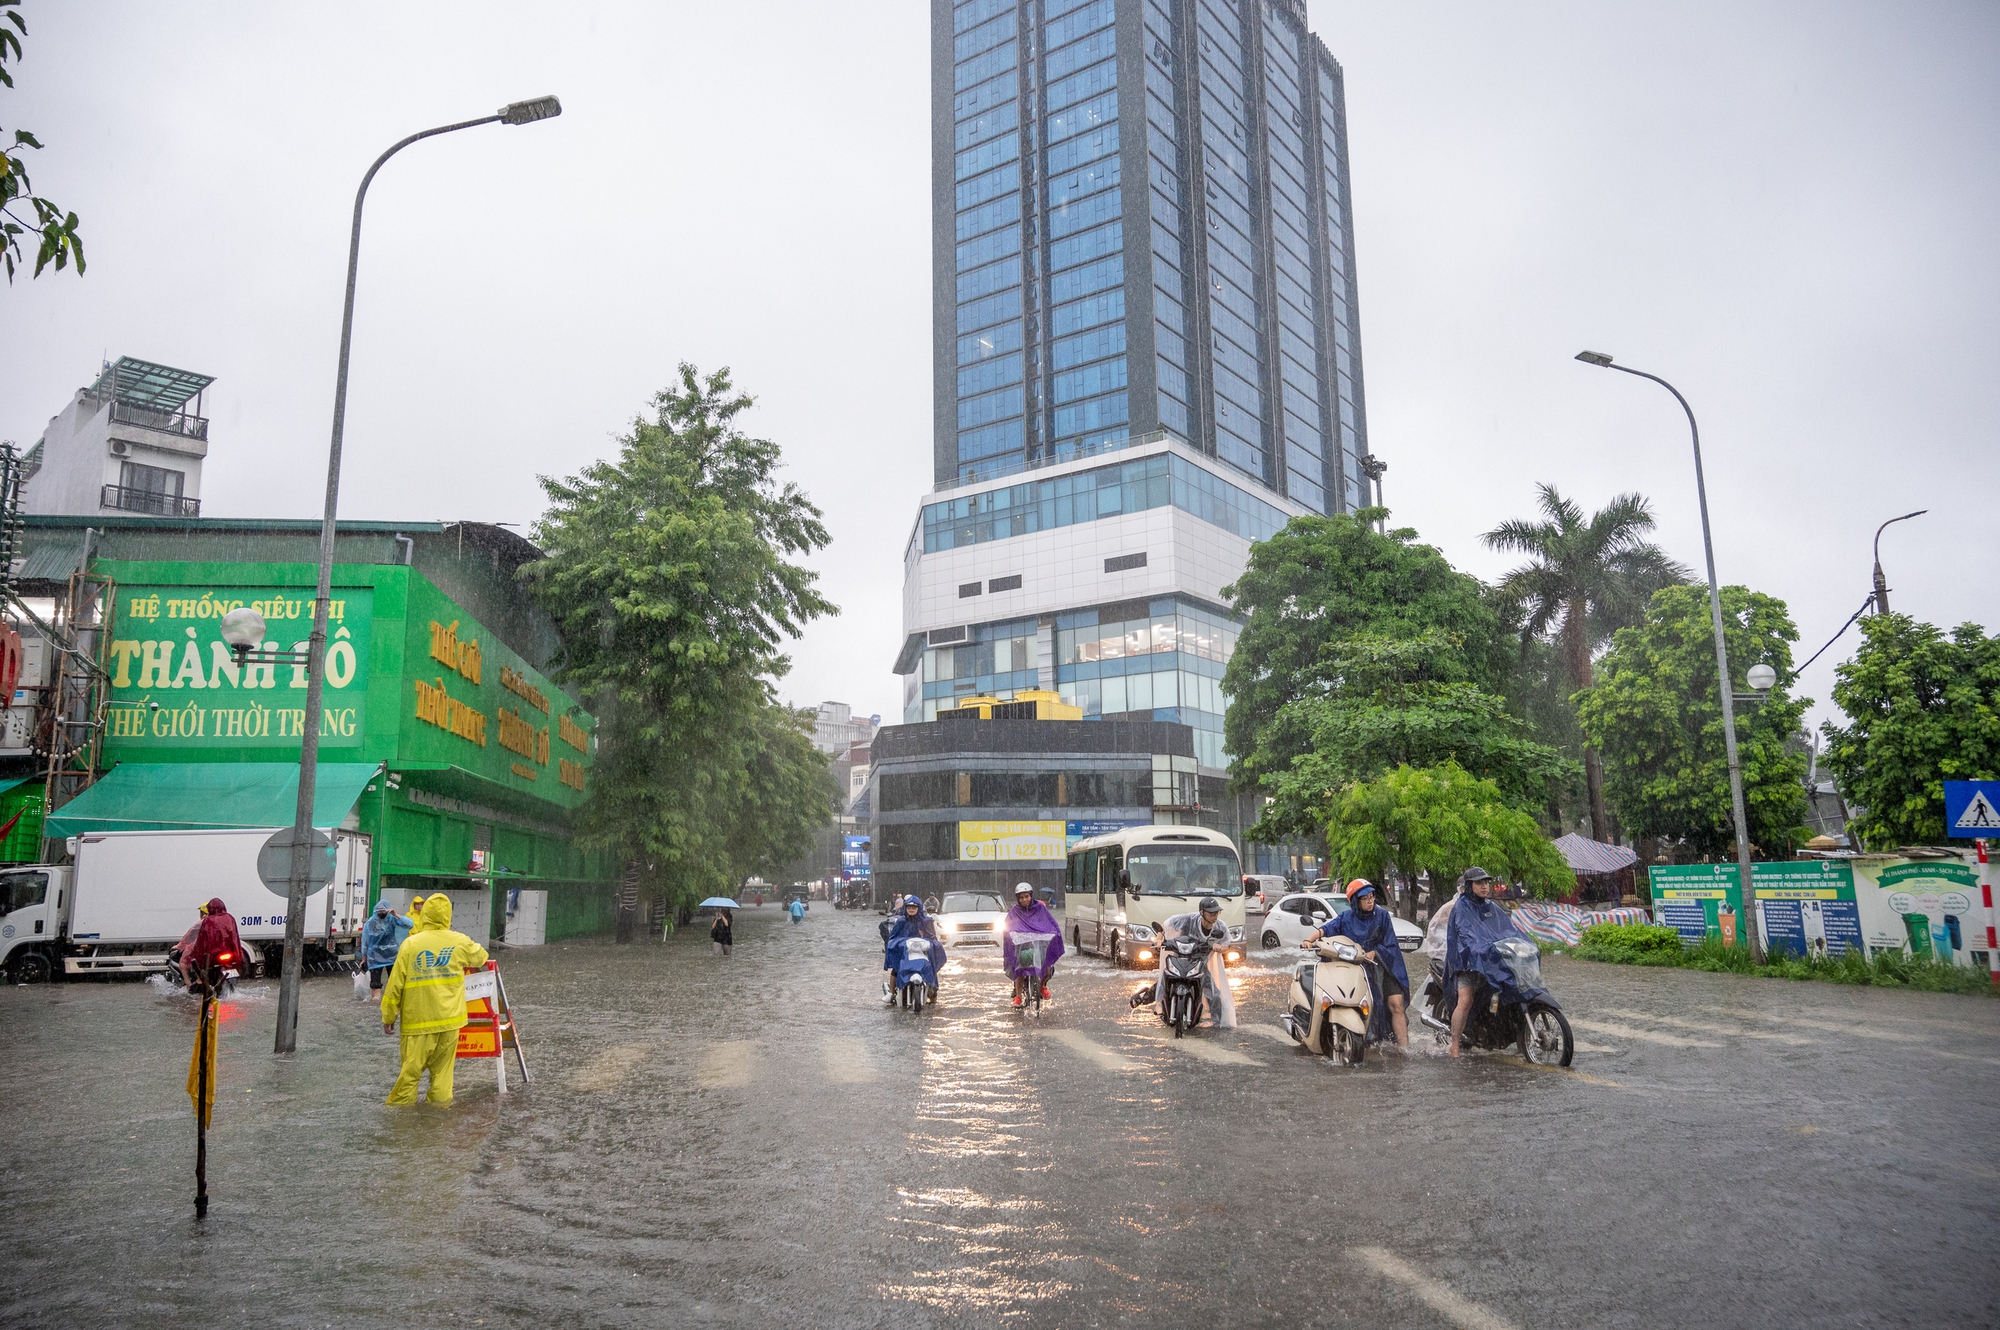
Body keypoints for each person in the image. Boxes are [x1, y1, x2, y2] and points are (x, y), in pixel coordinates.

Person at [380, 894, 489, 1106]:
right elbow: (482, 957)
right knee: (442, 1079)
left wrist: (388, 1015)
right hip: (449, 1023)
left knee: (408, 1079)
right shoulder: (459, 941)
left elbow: (395, 985)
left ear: (426, 914)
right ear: (448, 916)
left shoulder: (411, 945)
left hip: (417, 1024)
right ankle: (438, 1124)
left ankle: (400, 1126)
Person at [1304, 879, 1408, 1048]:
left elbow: (1390, 943)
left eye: (1372, 896)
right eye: (1365, 898)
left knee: (1396, 1004)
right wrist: (1308, 940)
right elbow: (1326, 929)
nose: (1370, 901)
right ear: (1355, 901)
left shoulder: (1382, 916)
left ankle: (1405, 1049)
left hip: (1386, 965)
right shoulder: (1346, 918)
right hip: (1359, 968)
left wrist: (1375, 952)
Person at [1444, 866, 1532, 1058]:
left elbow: (1509, 929)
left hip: (1489, 960)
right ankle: (1455, 1044)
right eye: (1479, 883)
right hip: (1467, 962)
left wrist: (1524, 943)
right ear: (1469, 885)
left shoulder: (1491, 907)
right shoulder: (1462, 907)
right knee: (1466, 1000)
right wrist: (1478, 949)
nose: (1485, 886)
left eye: (1486, 882)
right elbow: (1465, 935)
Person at [1130, 896, 1236, 1028]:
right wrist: (1159, 939)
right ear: (1202, 913)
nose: (1215, 916)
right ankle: (1142, 998)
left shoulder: (1220, 926)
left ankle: (1217, 1023)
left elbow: (1227, 944)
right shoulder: (1188, 920)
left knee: (1213, 992)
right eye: (1211, 913)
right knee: (1164, 980)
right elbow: (1165, 925)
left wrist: (1219, 948)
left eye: (1217, 912)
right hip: (1179, 958)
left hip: (1199, 963)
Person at [1001, 882, 1064, 1006]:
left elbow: (1050, 923)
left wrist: (1054, 932)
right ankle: (1018, 996)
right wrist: (1008, 934)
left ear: (1031, 896)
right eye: (1021, 897)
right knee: (1019, 969)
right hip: (1021, 946)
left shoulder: (1040, 908)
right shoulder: (1014, 911)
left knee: (1047, 967)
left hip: (1039, 944)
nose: (1024, 900)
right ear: (1018, 899)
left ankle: (1042, 986)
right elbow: (1007, 925)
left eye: (1027, 896)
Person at [883, 894, 945, 1004]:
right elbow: (893, 937)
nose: (911, 910)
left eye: (914, 908)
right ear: (905, 908)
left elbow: (932, 937)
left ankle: (933, 993)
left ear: (918, 908)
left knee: (931, 968)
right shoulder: (901, 921)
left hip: (923, 953)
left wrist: (934, 945)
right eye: (909, 908)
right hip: (906, 953)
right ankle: (891, 992)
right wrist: (899, 944)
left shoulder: (926, 921)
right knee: (896, 969)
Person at [182, 898, 243, 991]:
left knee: (196, 965)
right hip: (229, 953)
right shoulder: (230, 918)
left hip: (213, 954)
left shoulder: (208, 920)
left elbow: (202, 939)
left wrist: (197, 953)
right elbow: (234, 936)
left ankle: (197, 983)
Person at [359, 901, 411, 1003]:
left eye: (384, 911)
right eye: (379, 912)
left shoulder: (393, 919)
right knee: (375, 982)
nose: (381, 914)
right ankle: (375, 1001)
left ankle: (393, 1001)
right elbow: (365, 941)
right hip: (375, 956)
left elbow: (409, 924)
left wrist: (396, 914)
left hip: (391, 955)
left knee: (394, 981)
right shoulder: (371, 923)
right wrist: (364, 958)